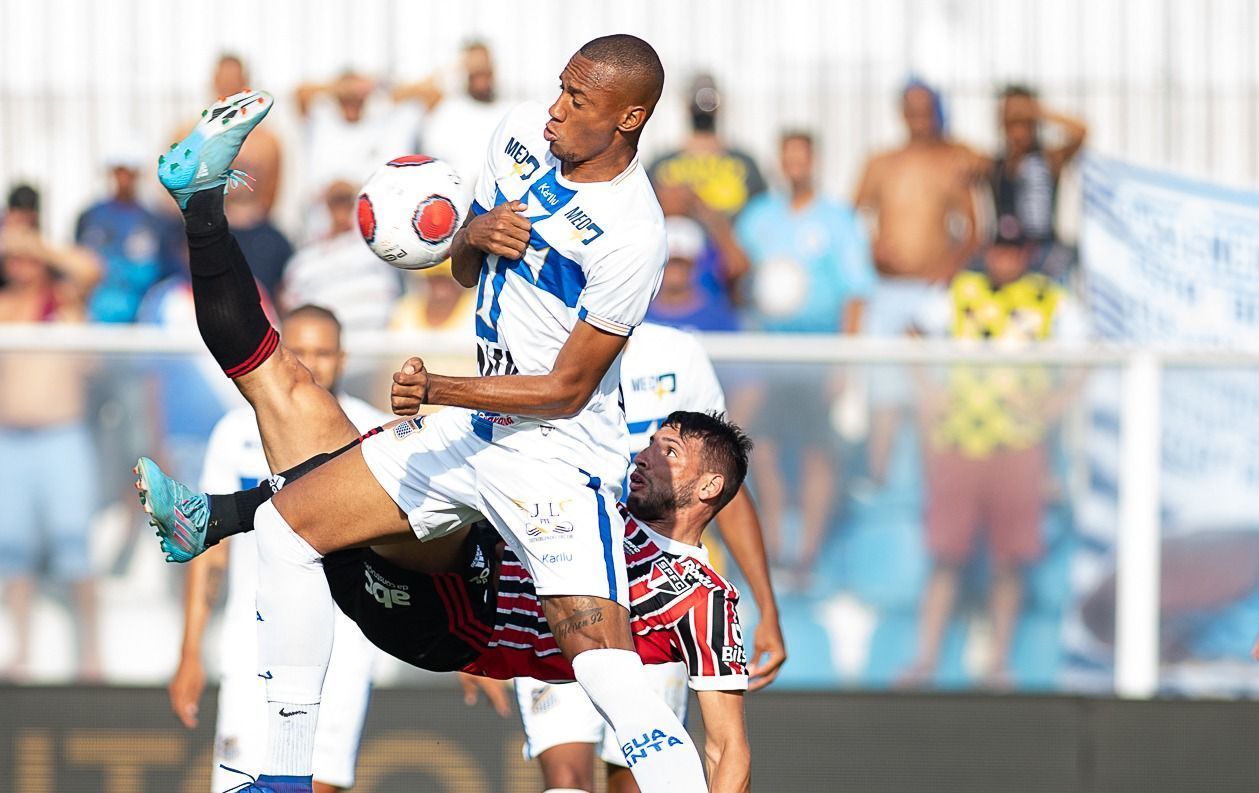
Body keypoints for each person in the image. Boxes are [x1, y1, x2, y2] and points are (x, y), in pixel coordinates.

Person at [145, 35, 710, 793]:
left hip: (557, 457)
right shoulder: (518, 134)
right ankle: (280, 778)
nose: (554, 110)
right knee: (285, 530)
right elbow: (467, 260)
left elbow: (568, 389)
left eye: (578, 101)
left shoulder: (635, 233)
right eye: (561, 88)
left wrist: (442, 389)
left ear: (629, 117)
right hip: (474, 429)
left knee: (608, 672)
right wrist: (471, 233)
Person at [141, 412, 755, 793]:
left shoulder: (705, 595)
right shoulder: (595, 503)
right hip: (460, 579)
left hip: (470, 620)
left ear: (707, 486)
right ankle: (206, 217)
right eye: (651, 441)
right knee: (323, 422)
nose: (645, 454)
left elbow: (726, 746)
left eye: (669, 451)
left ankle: (218, 515)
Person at [512, 322, 786, 793]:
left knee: (637, 780)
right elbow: (506, 468)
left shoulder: (677, 353)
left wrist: (767, 605)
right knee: (566, 776)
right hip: (561, 579)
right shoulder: (540, 334)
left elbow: (723, 482)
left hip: (658, 599)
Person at [169, 305, 386, 793]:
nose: (312, 364)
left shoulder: (373, 432)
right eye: (300, 351)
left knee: (317, 785)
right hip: (252, 646)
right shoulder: (236, 433)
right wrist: (189, 651)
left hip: (343, 648)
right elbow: (212, 553)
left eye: (323, 352)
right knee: (236, 785)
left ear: (343, 356)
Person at [900, 218, 1088, 688]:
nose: (1006, 257)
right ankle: (924, 660)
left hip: (1018, 444)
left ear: (1026, 252)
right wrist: (928, 393)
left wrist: (1053, 405)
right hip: (961, 440)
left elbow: (1089, 358)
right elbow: (910, 336)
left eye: (1014, 248)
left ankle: (999, 662)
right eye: (999, 248)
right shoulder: (960, 290)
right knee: (945, 554)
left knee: (1010, 559)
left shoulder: (1051, 300)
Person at [733, 131, 877, 580]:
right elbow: (737, 273)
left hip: (818, 352)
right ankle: (775, 542)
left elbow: (856, 294)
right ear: (781, 162)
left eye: (803, 157)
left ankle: (809, 553)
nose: (795, 165)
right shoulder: (759, 217)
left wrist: (843, 362)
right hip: (771, 352)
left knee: (820, 451)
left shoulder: (837, 219)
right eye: (788, 157)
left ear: (813, 161)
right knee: (760, 444)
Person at [852, 79, 982, 487]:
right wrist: (873, 249)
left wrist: (948, 269)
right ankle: (877, 480)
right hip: (886, 290)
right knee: (883, 394)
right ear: (902, 112)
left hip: (929, 293)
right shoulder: (881, 162)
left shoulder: (953, 161)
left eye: (926, 107)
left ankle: (936, 484)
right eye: (912, 107)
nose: (919, 115)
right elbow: (852, 220)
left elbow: (974, 230)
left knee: (932, 393)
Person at [0, 194, 103, 680]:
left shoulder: (64, 299)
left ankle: (91, 654)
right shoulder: (5, 303)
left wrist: (36, 244)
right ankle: (21, 649)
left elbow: (90, 269)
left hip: (63, 439)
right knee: (12, 548)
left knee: (73, 546)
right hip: (10, 443)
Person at [972, 85, 1087, 280]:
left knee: (1067, 256)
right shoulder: (993, 163)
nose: (1017, 129)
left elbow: (1080, 132)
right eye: (1011, 121)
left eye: (1024, 122)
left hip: (1041, 253)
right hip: (1003, 253)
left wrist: (1037, 111)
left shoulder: (1050, 159)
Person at [295, 70, 420, 237]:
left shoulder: (389, 123)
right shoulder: (322, 119)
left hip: (374, 241)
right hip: (321, 241)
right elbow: (300, 93)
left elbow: (431, 94)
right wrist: (344, 85)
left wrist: (378, 85)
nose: (352, 98)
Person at [393, 40, 513, 200]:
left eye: (485, 65)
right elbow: (398, 94)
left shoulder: (509, 110)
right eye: (475, 65)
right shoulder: (448, 109)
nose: (481, 70)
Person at [279, 179, 402, 332]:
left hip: (375, 342)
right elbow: (290, 304)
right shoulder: (302, 260)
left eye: (348, 200)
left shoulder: (380, 247)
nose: (342, 208)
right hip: (324, 343)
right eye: (336, 201)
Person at [75, 148, 177, 323]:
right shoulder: (90, 217)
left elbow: (166, 273)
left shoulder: (155, 222)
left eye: (129, 171)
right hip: (92, 319)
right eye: (119, 170)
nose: (124, 178)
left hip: (142, 321)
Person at [648, 73, 766, 218]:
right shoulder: (660, 164)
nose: (702, 102)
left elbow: (760, 217)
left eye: (710, 97)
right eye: (697, 96)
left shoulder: (746, 163)